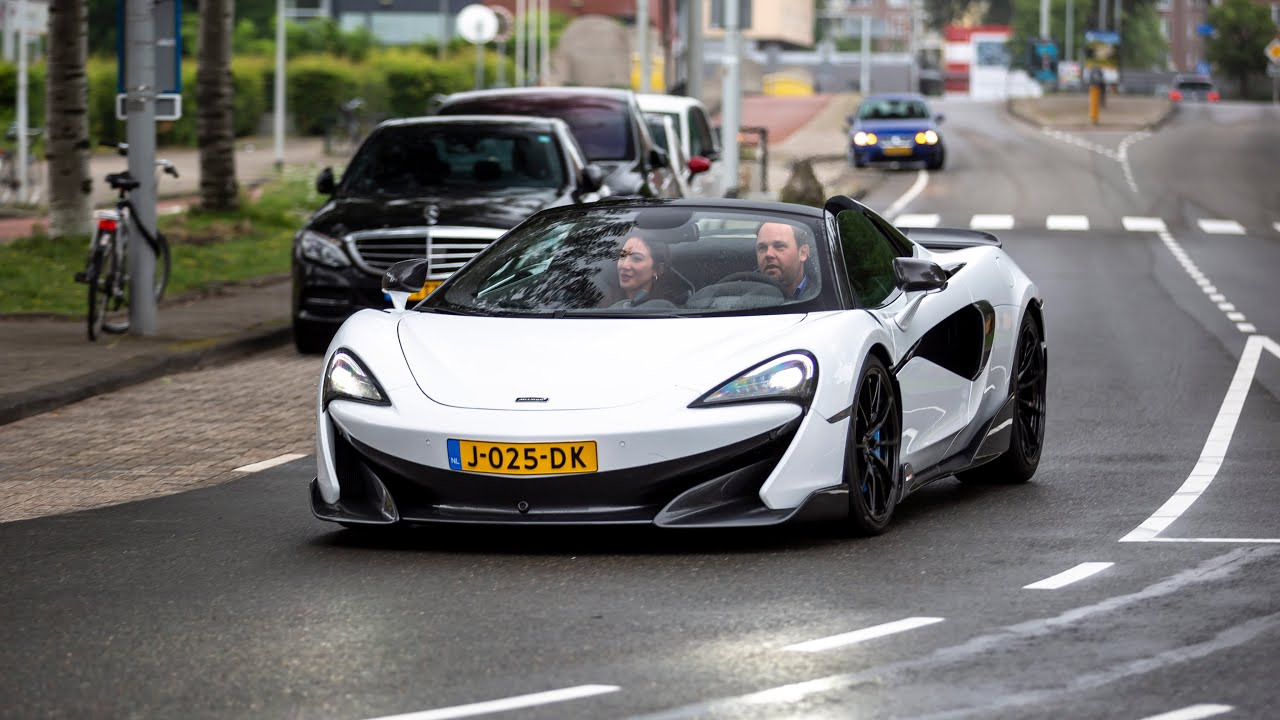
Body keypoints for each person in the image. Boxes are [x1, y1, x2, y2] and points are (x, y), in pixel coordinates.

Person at [755, 221, 814, 300]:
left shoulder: (825, 299)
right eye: (762, 248)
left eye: (779, 246)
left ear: (803, 253)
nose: (768, 254)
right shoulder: (744, 296)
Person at [614, 232, 670, 306]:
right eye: (622, 256)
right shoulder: (599, 307)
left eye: (636, 258)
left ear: (658, 269)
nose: (624, 265)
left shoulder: (669, 311)